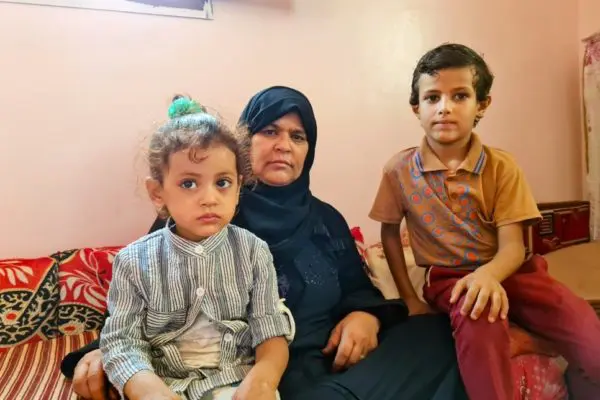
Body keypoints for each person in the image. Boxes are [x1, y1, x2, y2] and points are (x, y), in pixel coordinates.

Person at [62, 86, 467, 400]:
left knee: (434, 333)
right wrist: (105, 355)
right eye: (270, 130)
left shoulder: (325, 219)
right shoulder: (202, 211)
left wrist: (367, 317)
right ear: (244, 141)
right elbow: (153, 295)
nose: (284, 145)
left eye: (298, 136)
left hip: (324, 362)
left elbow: (357, 288)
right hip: (241, 374)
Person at [369, 43, 600, 400]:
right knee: (480, 319)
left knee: (584, 328)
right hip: (450, 278)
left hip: (515, 271)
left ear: (482, 105)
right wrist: (411, 299)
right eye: (432, 98)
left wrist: (489, 276)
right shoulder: (398, 170)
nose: (444, 107)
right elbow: (388, 232)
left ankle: (542, 345)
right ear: (416, 108)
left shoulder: (501, 167)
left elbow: (514, 247)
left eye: (459, 95)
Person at [99, 96, 294, 400]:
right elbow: (122, 342)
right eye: (189, 184)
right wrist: (149, 391)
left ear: (239, 187)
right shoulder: (132, 261)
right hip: (164, 384)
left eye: (223, 182)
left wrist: (263, 382)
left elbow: (270, 330)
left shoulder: (254, 251)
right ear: (158, 192)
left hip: (237, 382)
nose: (210, 198)